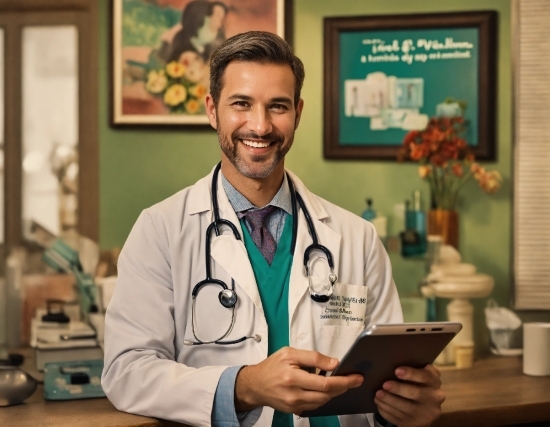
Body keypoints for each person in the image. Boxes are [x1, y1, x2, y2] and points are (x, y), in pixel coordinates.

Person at [102, 31, 445, 427]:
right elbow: (127, 372)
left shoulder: (357, 238)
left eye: (277, 106)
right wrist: (243, 386)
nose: (261, 126)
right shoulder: (160, 230)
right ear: (213, 110)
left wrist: (402, 407)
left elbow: (385, 379)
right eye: (241, 104)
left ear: (298, 112)